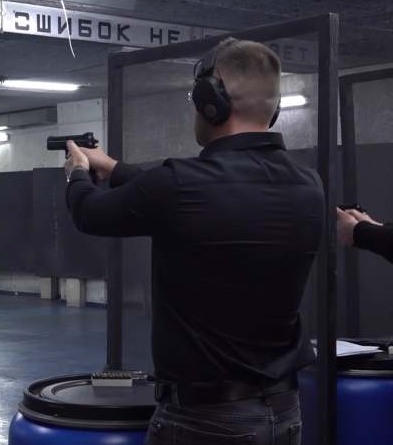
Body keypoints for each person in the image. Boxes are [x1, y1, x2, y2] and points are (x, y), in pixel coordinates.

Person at [64, 38, 324, 445]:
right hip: (284, 414)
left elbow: (88, 212)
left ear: (212, 101)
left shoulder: (180, 186)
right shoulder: (309, 185)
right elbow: (192, 197)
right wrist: (112, 167)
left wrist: (77, 173)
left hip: (204, 421)